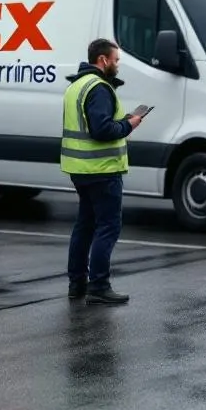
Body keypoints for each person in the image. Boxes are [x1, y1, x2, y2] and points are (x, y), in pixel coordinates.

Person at [62, 39, 145, 306]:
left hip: (80, 169)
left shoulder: (76, 86)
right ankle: (99, 285)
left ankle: (77, 284)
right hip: (102, 169)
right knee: (108, 226)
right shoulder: (98, 88)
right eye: (116, 60)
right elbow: (101, 130)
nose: (117, 65)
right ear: (103, 60)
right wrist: (129, 125)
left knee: (85, 226)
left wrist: (121, 124)